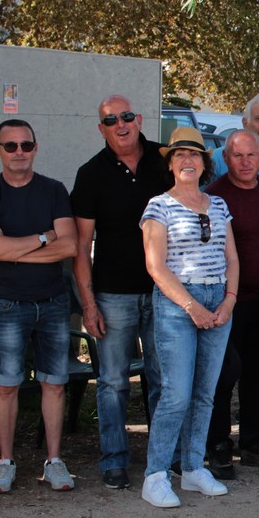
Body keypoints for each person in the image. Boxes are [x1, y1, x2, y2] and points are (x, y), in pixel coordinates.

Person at [0, 119, 79, 493]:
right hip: (6, 304)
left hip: (52, 302)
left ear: (35, 148)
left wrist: (15, 250)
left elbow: (69, 246)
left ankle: (54, 461)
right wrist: (42, 237)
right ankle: (5, 462)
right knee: (6, 385)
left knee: (54, 384)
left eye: (25, 145)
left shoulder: (53, 190)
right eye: (10, 146)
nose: (19, 152)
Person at [71, 95, 167, 490]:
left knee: (164, 379)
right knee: (112, 382)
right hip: (113, 295)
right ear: (102, 129)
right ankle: (114, 460)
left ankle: (164, 459)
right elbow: (80, 246)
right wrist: (89, 304)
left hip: (164, 291)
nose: (121, 124)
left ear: (139, 118)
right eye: (111, 120)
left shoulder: (165, 159)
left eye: (127, 116)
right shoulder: (91, 174)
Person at [139, 127, 239, 508]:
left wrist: (229, 299)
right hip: (178, 302)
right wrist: (190, 306)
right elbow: (155, 266)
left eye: (194, 155)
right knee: (176, 394)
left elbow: (232, 258)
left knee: (205, 393)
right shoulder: (158, 206)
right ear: (170, 163)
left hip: (218, 298)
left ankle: (194, 468)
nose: (187, 161)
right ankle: (157, 474)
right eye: (179, 154)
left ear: (204, 163)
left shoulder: (218, 205)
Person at [205, 130, 259, 477]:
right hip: (228, 302)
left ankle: (254, 441)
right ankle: (219, 443)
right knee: (224, 375)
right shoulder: (214, 196)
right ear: (225, 158)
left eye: (251, 155)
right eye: (237, 156)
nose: (245, 162)